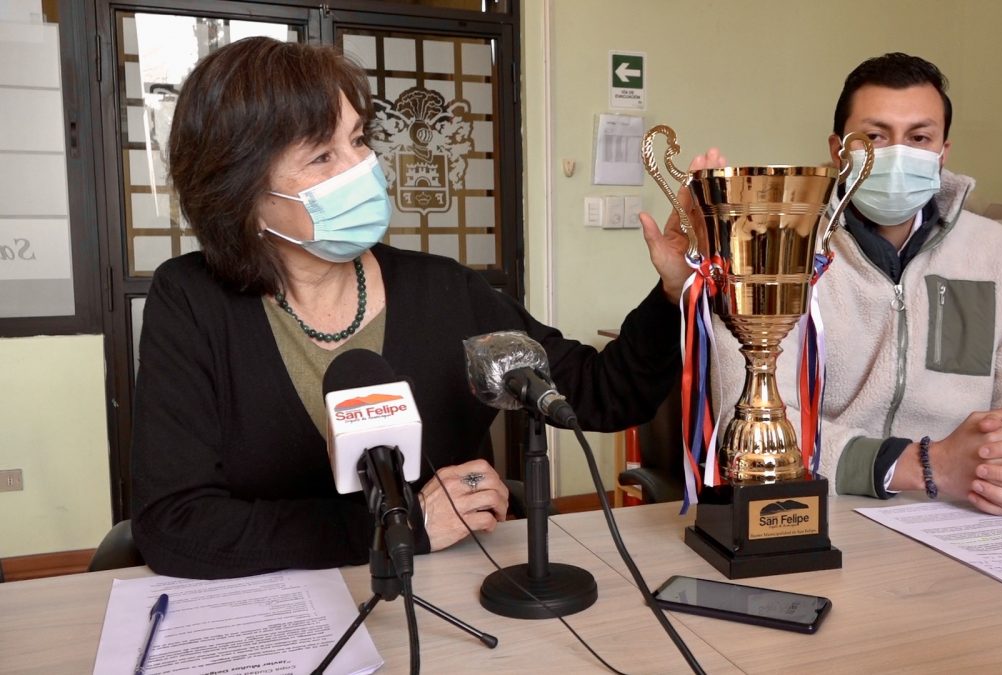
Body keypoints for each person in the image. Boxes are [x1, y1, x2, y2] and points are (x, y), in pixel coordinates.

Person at [130, 37, 701, 579]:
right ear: (241, 193)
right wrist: (399, 526)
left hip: (447, 599)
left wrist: (675, 294)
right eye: (323, 156)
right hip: (270, 614)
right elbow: (175, 525)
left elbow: (602, 392)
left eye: (357, 140)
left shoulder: (445, 291)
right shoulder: (191, 301)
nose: (360, 168)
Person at [705, 53, 1002, 515]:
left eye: (919, 137)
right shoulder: (774, 249)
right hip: (821, 507)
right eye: (874, 136)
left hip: (971, 509)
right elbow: (749, 419)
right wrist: (923, 466)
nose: (897, 154)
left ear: (943, 151)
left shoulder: (998, 254)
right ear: (838, 149)